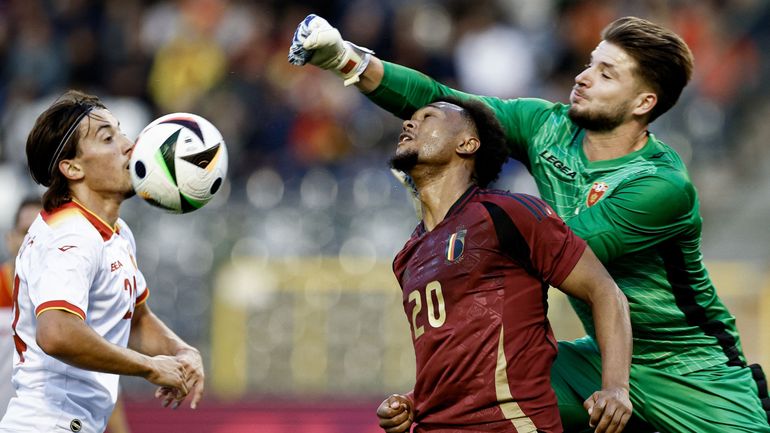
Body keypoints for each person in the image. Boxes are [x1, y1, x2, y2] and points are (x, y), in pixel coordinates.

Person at [289, 14, 770, 433]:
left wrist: (452, 220)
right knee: (480, 402)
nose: (583, 77)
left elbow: (548, 249)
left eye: (606, 74)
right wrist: (347, 60)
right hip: (599, 355)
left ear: (643, 103)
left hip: (690, 367)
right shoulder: (547, 126)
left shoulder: (661, 185)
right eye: (589, 63)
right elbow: (447, 104)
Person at [375, 97, 632, 433]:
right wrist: (412, 401)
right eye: (410, 119)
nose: (409, 123)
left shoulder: (508, 213)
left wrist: (616, 388)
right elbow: (456, 355)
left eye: (428, 117)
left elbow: (605, 291)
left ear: (467, 144)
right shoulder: (407, 256)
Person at [0, 90, 205, 433]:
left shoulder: (115, 232)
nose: (129, 144)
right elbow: (58, 333)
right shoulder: (70, 236)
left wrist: (182, 352)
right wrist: (150, 368)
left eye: (121, 131)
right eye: (108, 138)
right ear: (72, 167)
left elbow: (136, 321)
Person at [0, 197, 41, 417]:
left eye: (42, 233)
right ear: (10, 238)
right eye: (26, 231)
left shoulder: (68, 299)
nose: (33, 241)